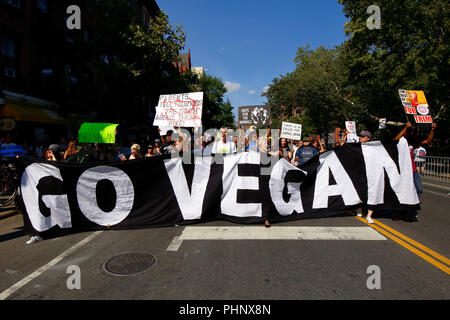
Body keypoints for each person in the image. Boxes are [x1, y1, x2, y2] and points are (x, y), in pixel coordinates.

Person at [393, 121, 437, 222]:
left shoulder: (412, 142)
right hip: (402, 172)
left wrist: (432, 130)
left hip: (413, 171)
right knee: (401, 191)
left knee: (419, 189)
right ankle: (399, 211)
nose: (407, 133)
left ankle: (411, 209)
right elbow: (395, 139)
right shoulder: (399, 142)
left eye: (409, 131)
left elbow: (427, 141)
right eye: (406, 131)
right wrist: (406, 127)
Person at [355, 131, 375, 223]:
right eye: (360, 136)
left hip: (371, 173)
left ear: (368, 138)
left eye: (362, 136)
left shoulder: (374, 147)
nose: (360, 138)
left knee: (372, 193)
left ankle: (369, 215)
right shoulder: (356, 147)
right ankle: (359, 208)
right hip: (359, 173)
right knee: (360, 192)